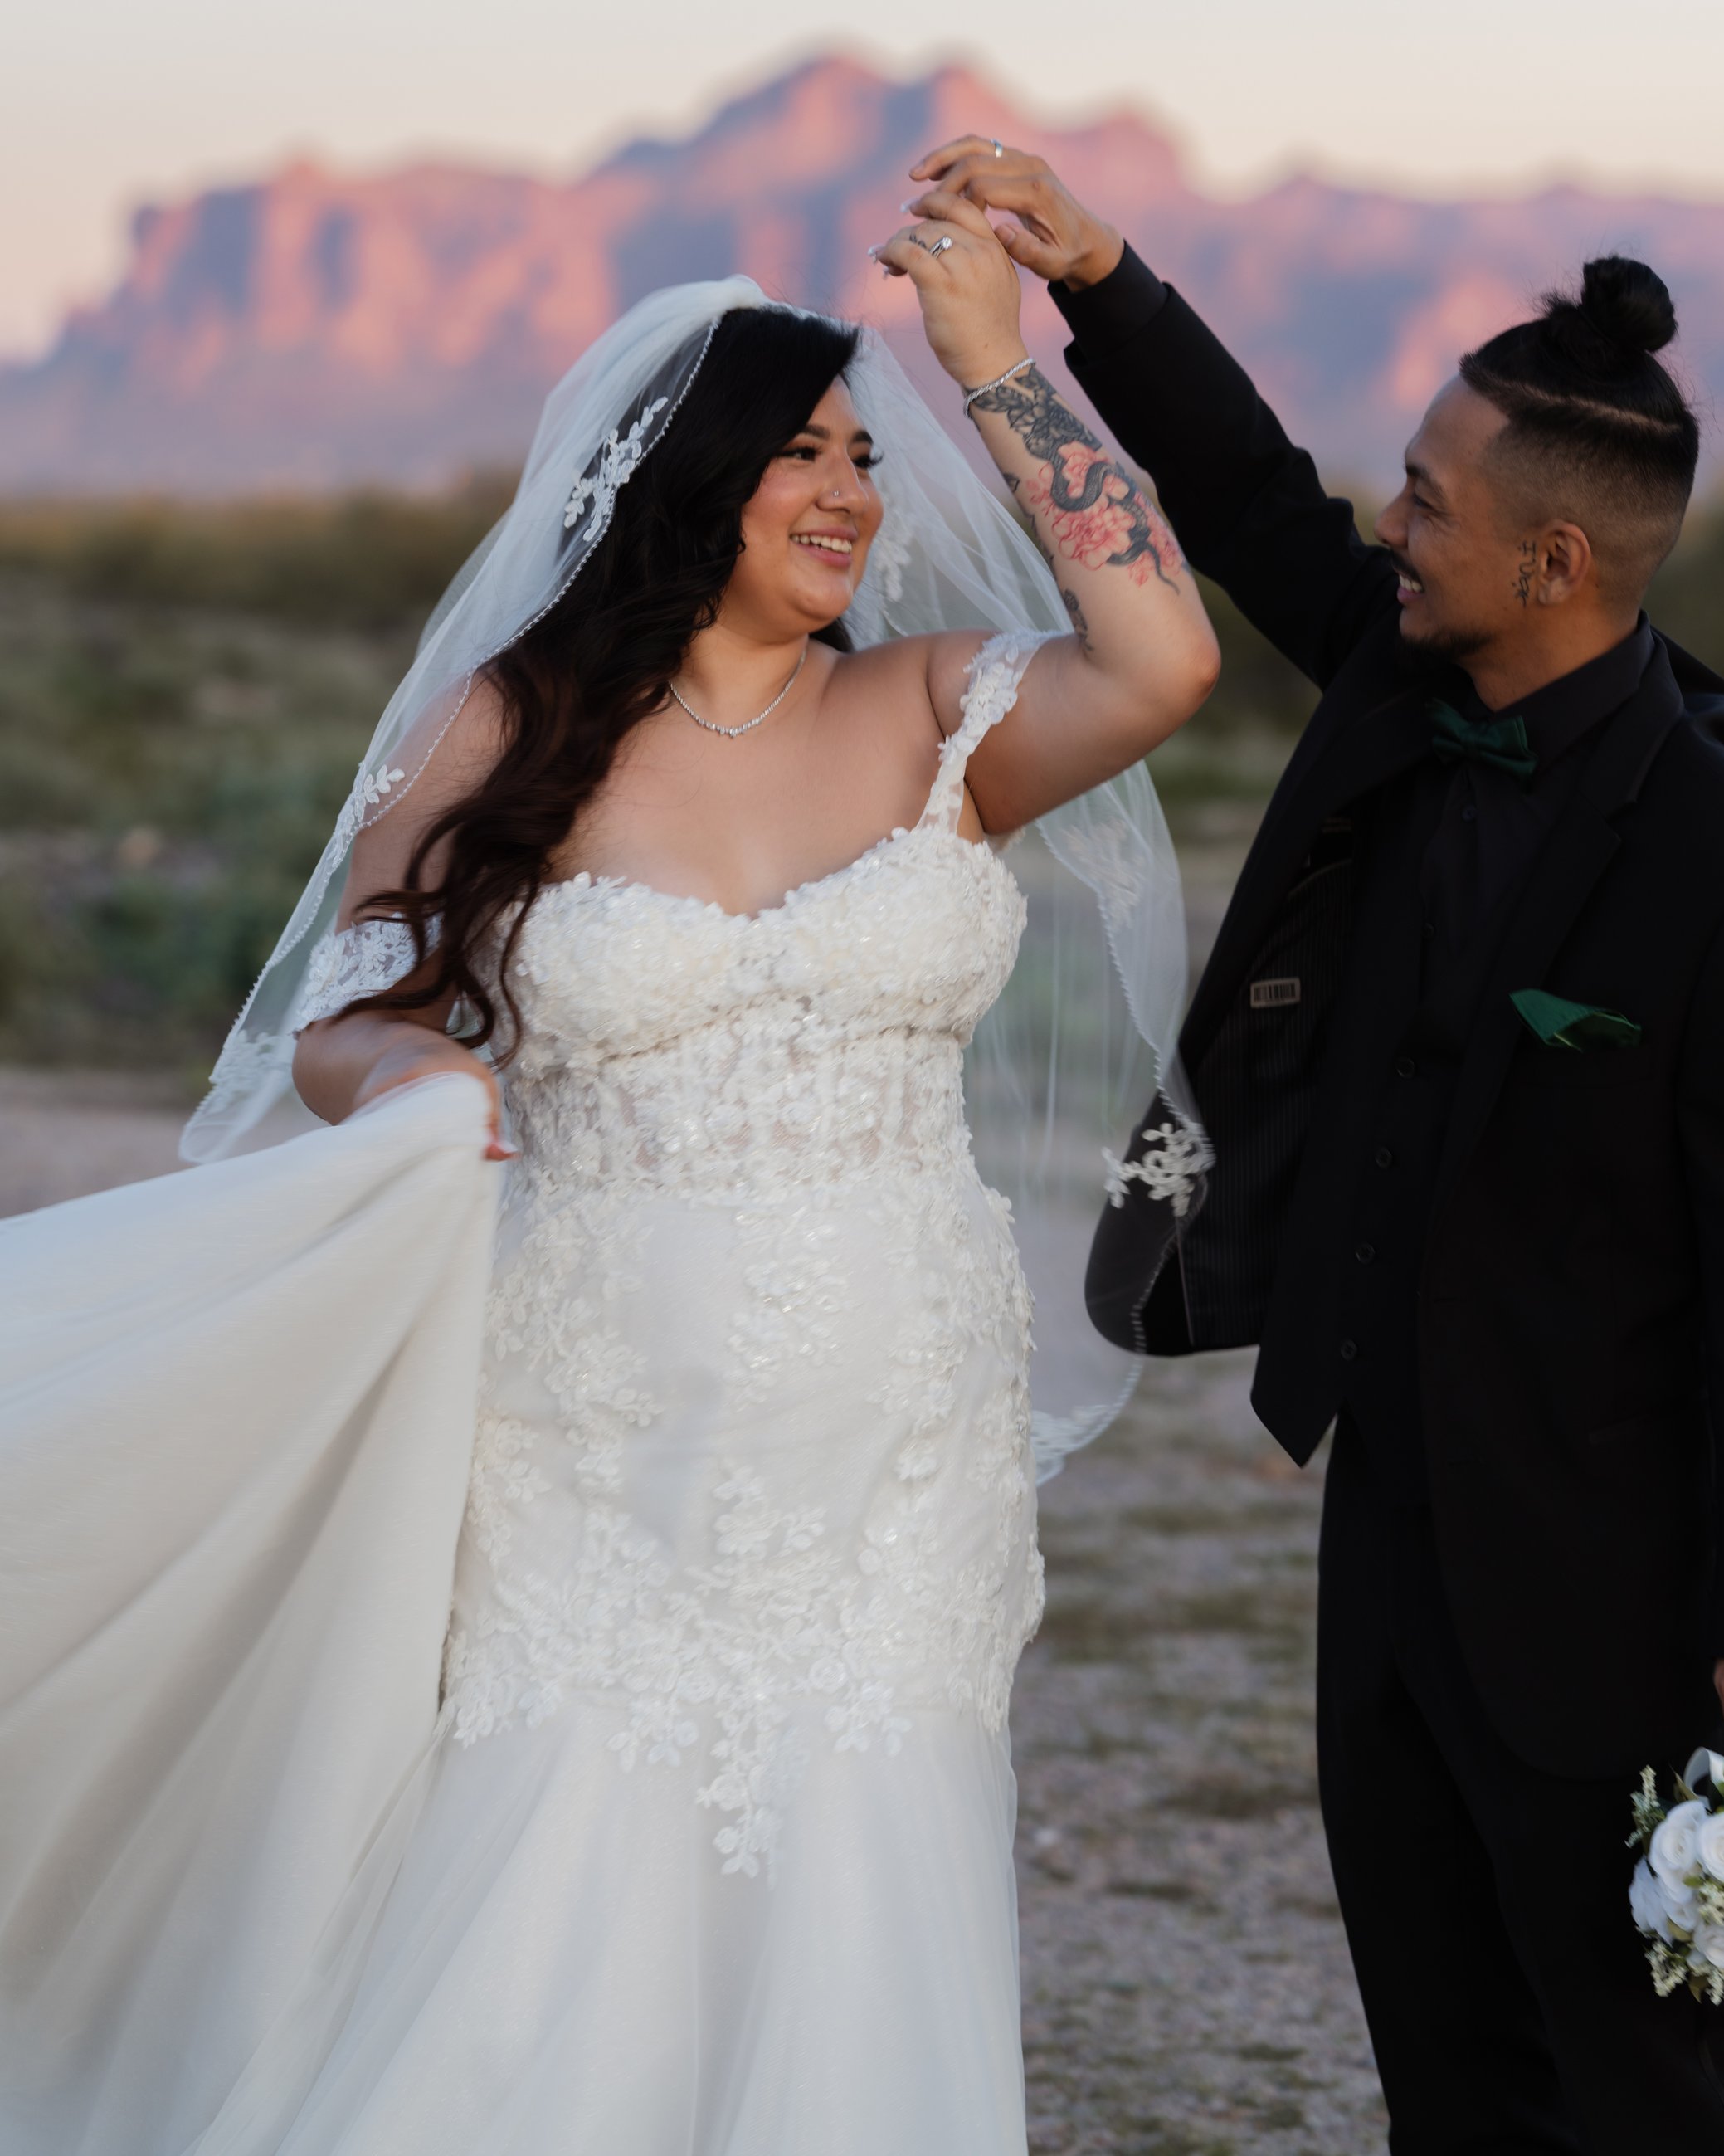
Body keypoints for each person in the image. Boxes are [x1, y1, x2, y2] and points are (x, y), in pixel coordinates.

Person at [0, 207, 1218, 2156]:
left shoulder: (931, 711)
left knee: (867, 1839)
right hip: (591, 1429)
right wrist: (411, 1075)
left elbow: (1161, 653)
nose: (847, 490)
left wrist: (994, 356)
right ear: (682, 482)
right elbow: (342, 1011)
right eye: (800, 450)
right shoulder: (514, 728)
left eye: (862, 454)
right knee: (554, 1850)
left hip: (892, 1439)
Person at [904, 137, 1724, 2156]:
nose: (1389, 526)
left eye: (1427, 503)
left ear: (1556, 565)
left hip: (1607, 1577)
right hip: (1386, 1529)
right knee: (1444, 2063)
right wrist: (1100, 276)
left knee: (1654, 2077)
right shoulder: (1398, 683)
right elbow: (1250, 499)